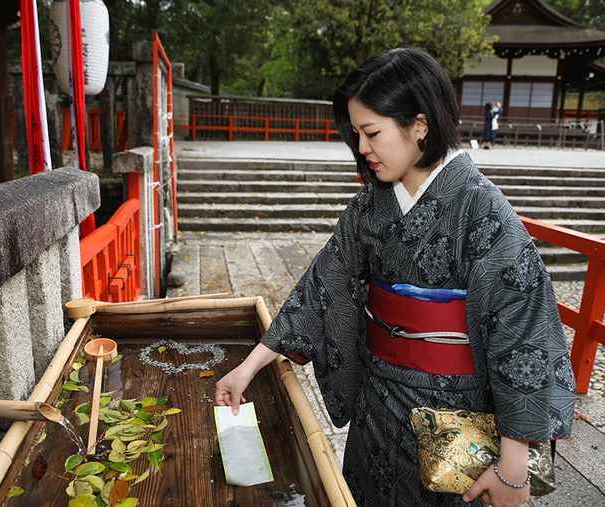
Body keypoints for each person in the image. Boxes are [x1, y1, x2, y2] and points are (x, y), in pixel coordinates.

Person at [215, 48, 575, 507]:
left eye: (371, 133)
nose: (363, 149)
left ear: (419, 125)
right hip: (378, 400)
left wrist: (512, 466)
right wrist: (248, 368)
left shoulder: (482, 211)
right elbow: (322, 285)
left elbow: (522, 335)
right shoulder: (370, 206)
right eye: (358, 135)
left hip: (456, 414)